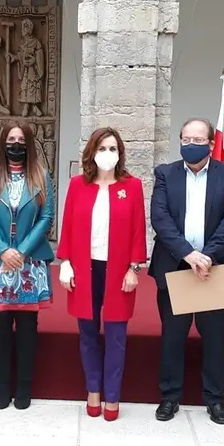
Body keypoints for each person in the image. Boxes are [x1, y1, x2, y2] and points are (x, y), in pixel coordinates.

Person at [149, 118, 224, 425]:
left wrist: (206, 256)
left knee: (214, 339)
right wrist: (188, 254)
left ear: (211, 143)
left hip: (213, 268)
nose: (191, 145)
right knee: (172, 338)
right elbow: (160, 218)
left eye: (198, 140)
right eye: (186, 139)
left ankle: (215, 399)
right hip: (176, 265)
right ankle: (169, 397)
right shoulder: (165, 173)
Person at [57, 127, 147, 422]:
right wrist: (66, 262)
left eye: (113, 149)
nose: (107, 154)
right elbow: (68, 225)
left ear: (120, 154)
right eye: (102, 148)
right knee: (88, 333)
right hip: (85, 267)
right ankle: (93, 390)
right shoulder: (77, 185)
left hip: (118, 269)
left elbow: (138, 229)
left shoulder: (131, 186)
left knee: (117, 335)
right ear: (91, 152)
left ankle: (113, 395)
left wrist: (134, 267)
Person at [0, 121, 55, 410]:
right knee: (1, 324)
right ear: (2, 143)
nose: (15, 144)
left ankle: (24, 386)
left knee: (29, 325)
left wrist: (20, 250)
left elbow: (46, 217)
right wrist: (4, 250)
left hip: (29, 261)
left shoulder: (41, 175)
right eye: (10, 139)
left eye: (20, 139)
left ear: (28, 143)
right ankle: (3, 384)